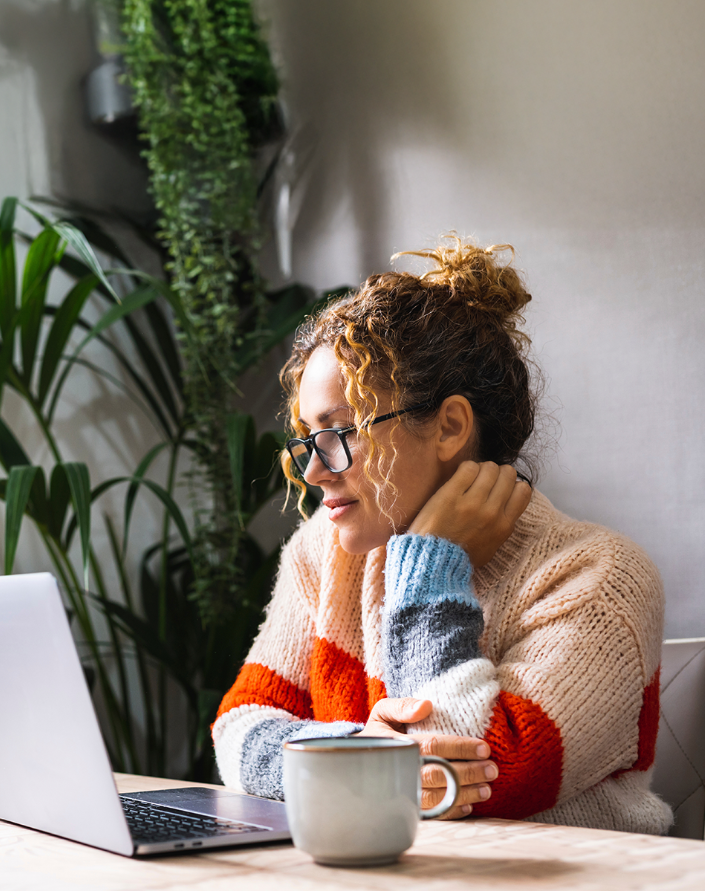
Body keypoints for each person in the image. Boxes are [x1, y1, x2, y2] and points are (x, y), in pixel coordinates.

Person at [212, 237, 672, 833]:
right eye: (307, 439)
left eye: (340, 432)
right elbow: (237, 727)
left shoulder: (600, 577)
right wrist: (362, 752)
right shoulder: (322, 555)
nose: (314, 470)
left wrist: (431, 564)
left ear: (451, 426)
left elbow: (462, 784)